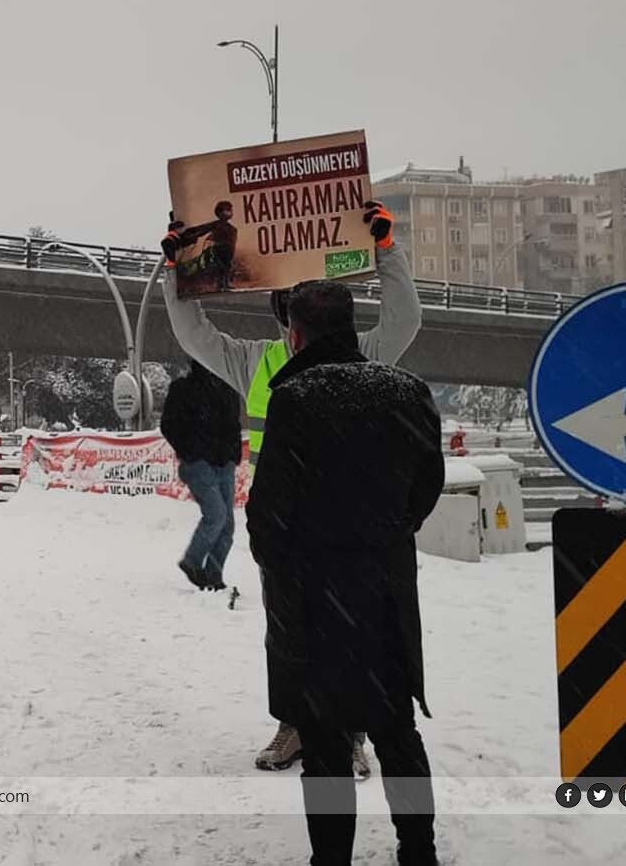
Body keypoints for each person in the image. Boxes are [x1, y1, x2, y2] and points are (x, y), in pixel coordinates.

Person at [162, 201, 422, 776]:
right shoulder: (258, 363)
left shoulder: (364, 358)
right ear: (286, 313)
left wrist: (386, 251)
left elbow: (404, 321)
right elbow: (192, 331)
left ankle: (349, 733)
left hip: (349, 529)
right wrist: (177, 270)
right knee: (288, 634)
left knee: (353, 632)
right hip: (285, 529)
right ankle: (295, 725)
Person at [247, 278, 444, 866]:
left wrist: (286, 565)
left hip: (313, 605)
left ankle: (330, 858)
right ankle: (418, 851)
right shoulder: (407, 392)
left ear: (295, 333)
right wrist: (381, 537)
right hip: (383, 596)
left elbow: (268, 513)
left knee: (327, 744)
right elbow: (426, 489)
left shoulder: (296, 400)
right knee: (397, 732)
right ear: (352, 328)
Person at [160, 359, 241, 591]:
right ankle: (193, 562)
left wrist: (232, 453)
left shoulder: (228, 388)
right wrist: (190, 452)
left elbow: (233, 424)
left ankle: (214, 575)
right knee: (216, 515)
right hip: (198, 463)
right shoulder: (183, 389)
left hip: (223, 462)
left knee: (226, 525)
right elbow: (169, 425)